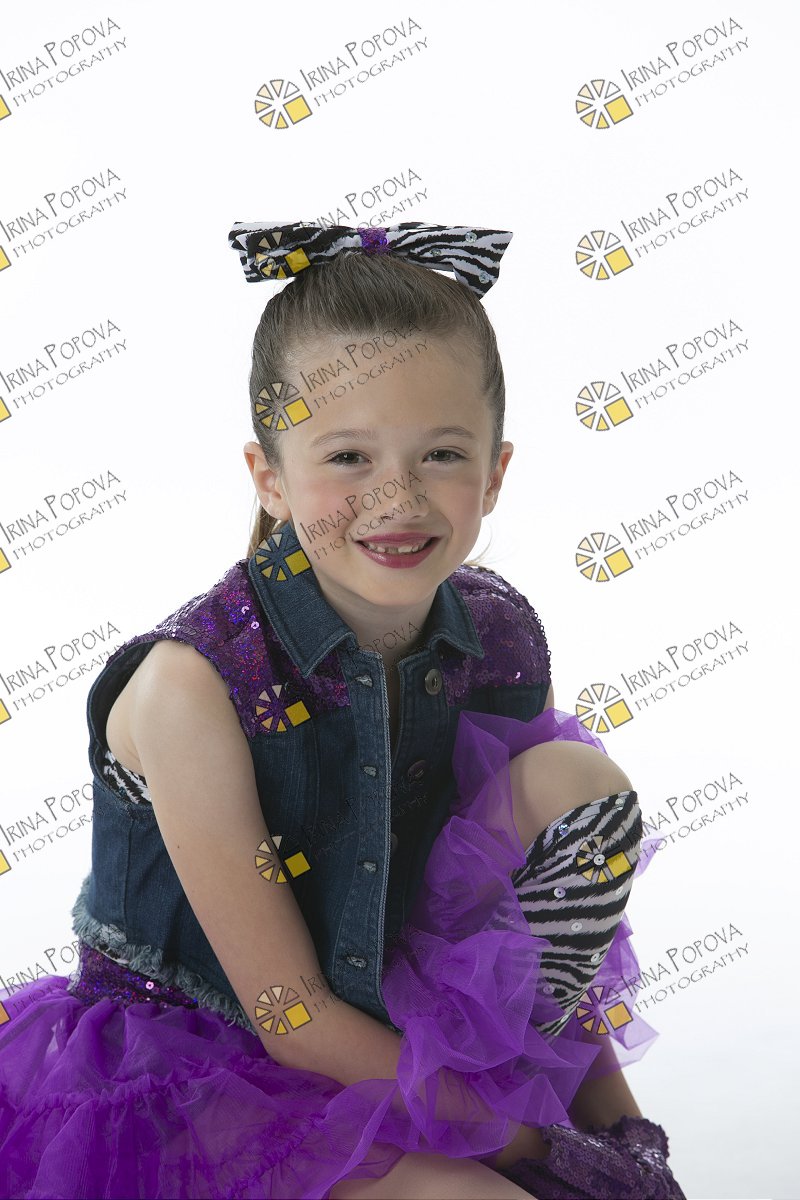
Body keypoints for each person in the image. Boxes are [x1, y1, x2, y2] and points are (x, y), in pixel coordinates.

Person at [0, 222, 686, 1199]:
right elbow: (289, 1016)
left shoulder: (494, 632)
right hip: (202, 1058)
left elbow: (542, 955)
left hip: (381, 1016)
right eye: (349, 457)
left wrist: (625, 1141)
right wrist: (531, 1152)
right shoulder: (191, 686)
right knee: (475, 1197)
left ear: (495, 473)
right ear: (270, 478)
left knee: (573, 780)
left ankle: (472, 1119)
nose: (396, 497)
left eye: (440, 454)